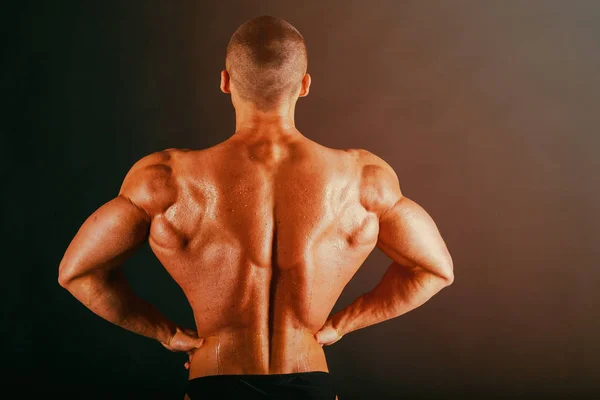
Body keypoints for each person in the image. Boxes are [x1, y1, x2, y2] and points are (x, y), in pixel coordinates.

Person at [58, 15, 454, 400]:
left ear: (225, 82)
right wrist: (341, 325)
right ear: (304, 85)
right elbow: (435, 269)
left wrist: (165, 333)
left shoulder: (165, 179)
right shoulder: (364, 179)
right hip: (308, 379)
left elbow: (78, 272)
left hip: (213, 377)